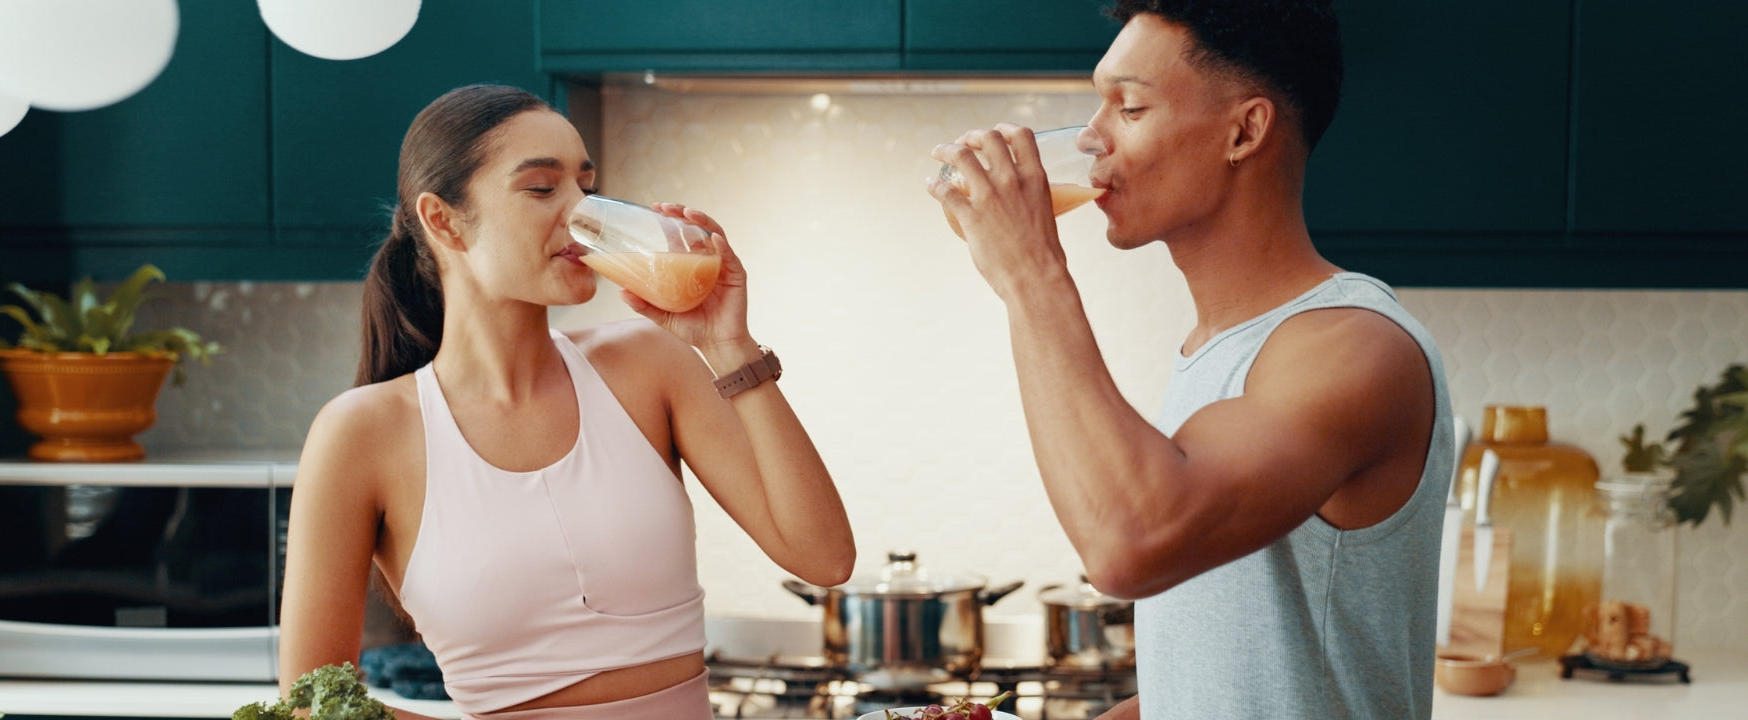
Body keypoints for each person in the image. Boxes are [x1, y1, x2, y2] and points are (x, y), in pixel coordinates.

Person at [926, 1, 1452, 718]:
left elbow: (1125, 546)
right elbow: (1225, 681)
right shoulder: (1219, 347)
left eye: (1130, 107)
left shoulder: (1353, 347)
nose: (1091, 137)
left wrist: (1029, 273)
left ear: (1244, 131)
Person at [280, 84, 855, 720]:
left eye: (587, 186)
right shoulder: (362, 433)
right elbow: (308, 705)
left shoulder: (648, 363)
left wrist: (729, 347)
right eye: (541, 188)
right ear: (444, 221)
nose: (583, 214)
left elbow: (825, 558)